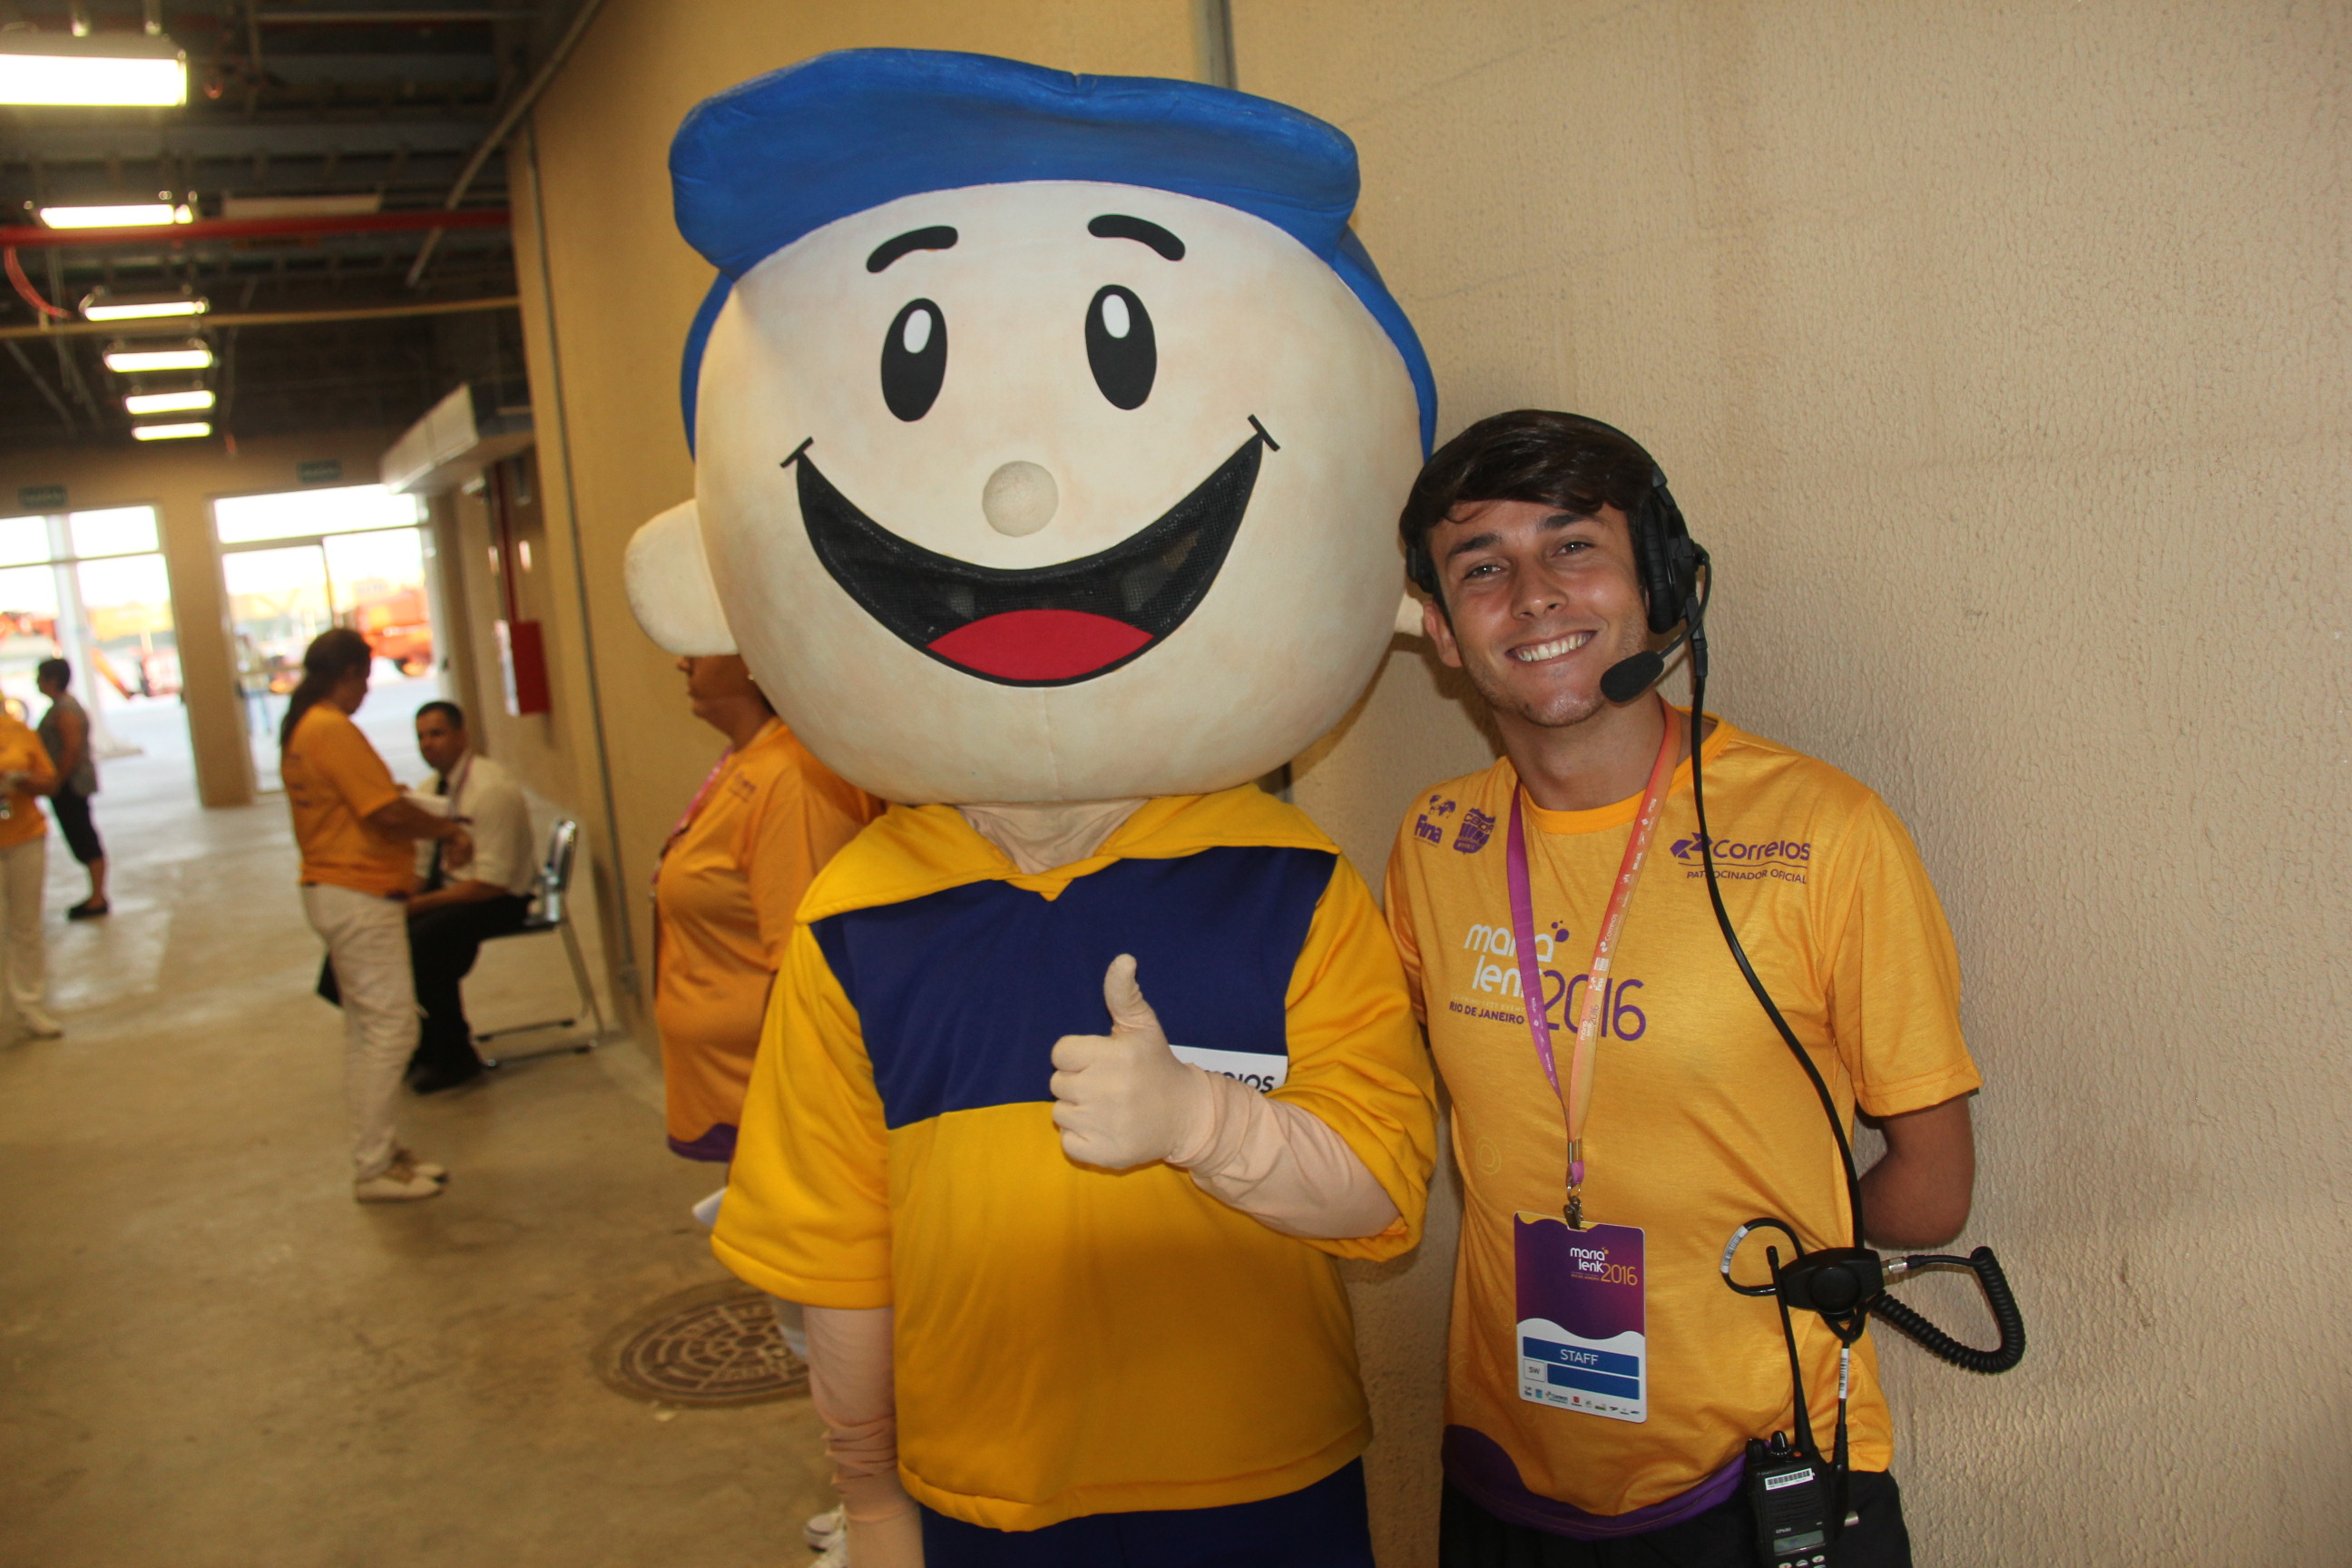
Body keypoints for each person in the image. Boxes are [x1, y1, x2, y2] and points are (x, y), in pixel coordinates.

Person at [632, 53, 1446, 1568]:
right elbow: (843, 1260)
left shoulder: (1292, 882)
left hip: (1260, 1480)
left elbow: (1379, 1191)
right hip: (978, 1492)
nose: (1015, 502)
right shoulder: (860, 912)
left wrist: (1203, 1121)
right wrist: (871, 1494)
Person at [1385, 410, 1983, 1567]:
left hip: (1764, 1474)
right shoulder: (1435, 840)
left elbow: (1932, 1188)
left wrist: (1753, 1251)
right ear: (1445, 633)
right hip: (1503, 1473)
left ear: (1659, 584)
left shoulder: (1825, 832)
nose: (1535, 596)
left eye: (1574, 546)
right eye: (1483, 568)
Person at [652, 653, 883, 1167]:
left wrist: (790, 1111)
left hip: (773, 1096)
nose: (681, 662)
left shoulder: (792, 778)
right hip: (731, 1085)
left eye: (699, 646)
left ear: (753, 656)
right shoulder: (748, 760)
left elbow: (805, 962)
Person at [280, 629, 473, 1203]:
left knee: (370, 1031)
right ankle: (373, 1166)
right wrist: (446, 830)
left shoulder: (306, 726)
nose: (366, 690)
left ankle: (381, 1152)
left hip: (341, 889)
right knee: (391, 1030)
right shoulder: (329, 729)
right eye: (365, 678)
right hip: (356, 892)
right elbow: (383, 811)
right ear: (349, 674)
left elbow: (369, 802)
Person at [401, 700, 539, 1094]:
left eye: (437, 733)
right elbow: (421, 867)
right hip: (455, 890)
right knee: (376, 935)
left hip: (500, 900)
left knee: (427, 942)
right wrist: (398, 903)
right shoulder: (430, 791)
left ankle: (455, 1054)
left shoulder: (491, 790)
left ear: (462, 736)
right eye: (421, 737)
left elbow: (492, 885)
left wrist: (420, 906)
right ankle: (424, 1041)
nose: (428, 744)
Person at [0, 701, 60, 1038]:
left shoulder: (18, 732)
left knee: (26, 925)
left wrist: (20, 781)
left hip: (25, 837)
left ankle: (30, 1003)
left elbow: (49, 781)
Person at [35, 659, 104, 920]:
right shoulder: (63, 707)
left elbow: (71, 750)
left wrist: (56, 781)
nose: (36, 682)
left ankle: (97, 897)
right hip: (69, 783)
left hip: (70, 784)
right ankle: (96, 895)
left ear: (51, 680)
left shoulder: (65, 710)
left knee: (83, 835)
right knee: (81, 834)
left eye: (40, 677)